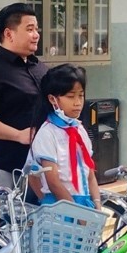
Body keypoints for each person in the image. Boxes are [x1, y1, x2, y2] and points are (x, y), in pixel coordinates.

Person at [0, 4, 48, 188]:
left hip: (42, 165)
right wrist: (18, 135)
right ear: (9, 34)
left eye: (36, 29)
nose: (36, 34)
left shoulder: (40, 68)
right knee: (7, 217)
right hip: (6, 167)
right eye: (29, 29)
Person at [26, 64, 100, 209]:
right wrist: (76, 212)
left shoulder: (79, 129)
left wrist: (97, 203)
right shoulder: (47, 133)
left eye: (81, 95)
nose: (78, 102)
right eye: (71, 96)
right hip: (61, 205)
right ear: (53, 99)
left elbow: (89, 173)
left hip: (84, 204)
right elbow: (53, 182)